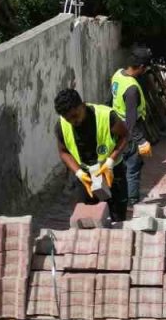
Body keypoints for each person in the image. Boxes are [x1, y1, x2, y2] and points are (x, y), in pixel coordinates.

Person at [54, 88, 129, 223]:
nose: (73, 121)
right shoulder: (61, 125)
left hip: (111, 171)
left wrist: (110, 161)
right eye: (68, 118)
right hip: (86, 176)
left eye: (75, 115)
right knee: (86, 218)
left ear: (83, 105)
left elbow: (124, 136)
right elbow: (63, 152)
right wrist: (79, 173)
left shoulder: (107, 116)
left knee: (117, 216)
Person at [111, 47, 153, 211]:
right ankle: (132, 201)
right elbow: (131, 120)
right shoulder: (132, 89)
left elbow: (111, 100)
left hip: (116, 125)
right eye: (145, 68)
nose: (145, 71)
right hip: (129, 132)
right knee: (133, 167)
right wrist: (141, 141)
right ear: (141, 67)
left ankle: (119, 196)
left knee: (120, 164)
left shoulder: (118, 75)